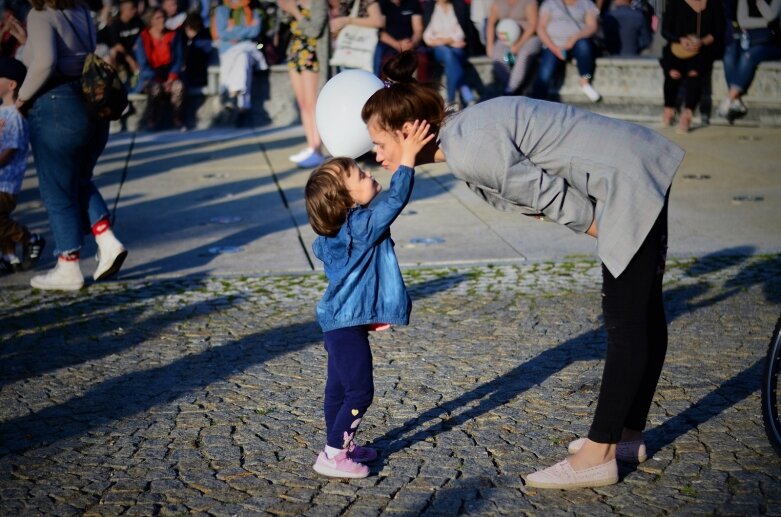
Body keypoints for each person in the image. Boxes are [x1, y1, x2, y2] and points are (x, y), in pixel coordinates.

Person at [361, 51, 686, 489]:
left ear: (409, 131)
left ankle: (599, 454)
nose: (376, 156)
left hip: (624, 182)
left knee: (627, 320)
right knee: (641, 313)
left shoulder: (468, 149)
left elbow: (549, 195)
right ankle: (626, 437)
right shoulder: (463, 134)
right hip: (629, 167)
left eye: (380, 144)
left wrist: (605, 230)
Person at [304, 120, 434, 478]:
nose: (367, 174)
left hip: (338, 324)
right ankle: (333, 457)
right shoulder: (361, 227)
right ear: (345, 200)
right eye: (359, 176)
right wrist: (407, 159)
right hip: (345, 326)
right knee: (360, 392)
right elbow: (395, 200)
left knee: (339, 389)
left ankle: (339, 444)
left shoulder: (337, 233)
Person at [15, 0, 128, 290]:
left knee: (57, 189)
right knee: (77, 180)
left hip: (56, 105)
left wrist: (21, 99)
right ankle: (106, 239)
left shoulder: (40, 15)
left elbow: (46, 62)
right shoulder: (80, 11)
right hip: (88, 105)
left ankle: (68, 265)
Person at [0, 56, 44, 275]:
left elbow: (10, 149)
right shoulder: (2, 113)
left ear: (11, 85)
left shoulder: (16, 117)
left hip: (6, 183)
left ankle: (30, 239)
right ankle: (10, 257)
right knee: (2, 221)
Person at [659, 0, 723, 133]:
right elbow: (665, 30)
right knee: (673, 72)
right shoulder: (675, 4)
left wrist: (702, 42)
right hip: (678, 47)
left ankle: (687, 113)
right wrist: (681, 39)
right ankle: (668, 109)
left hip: (703, 49)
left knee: (694, 72)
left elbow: (718, 31)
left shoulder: (713, 4)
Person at [278, 0, 329, 168]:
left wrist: (295, 11)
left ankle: (318, 149)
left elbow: (314, 30)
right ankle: (311, 145)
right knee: (302, 103)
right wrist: (286, 8)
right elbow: (284, 22)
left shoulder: (318, 3)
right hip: (295, 52)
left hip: (312, 54)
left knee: (312, 103)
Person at [717, 0, 781, 122]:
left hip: (772, 43)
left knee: (749, 56)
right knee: (729, 56)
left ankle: (729, 98)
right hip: (749, 40)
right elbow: (743, 21)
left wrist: (760, 2)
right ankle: (736, 101)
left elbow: (772, 16)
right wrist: (766, 23)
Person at [532, 0, 603, 103]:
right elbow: (541, 28)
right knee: (544, 73)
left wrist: (575, 38)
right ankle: (536, 101)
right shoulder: (550, 3)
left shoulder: (586, 3)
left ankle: (585, 81)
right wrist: (554, 48)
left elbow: (592, 26)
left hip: (577, 42)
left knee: (584, 46)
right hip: (553, 45)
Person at [212, 0, 267, 123]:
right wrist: (246, 30)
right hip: (229, 51)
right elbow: (222, 33)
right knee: (242, 57)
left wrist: (233, 31)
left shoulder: (253, 10)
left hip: (248, 48)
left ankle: (231, 94)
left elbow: (255, 31)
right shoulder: (222, 10)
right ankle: (243, 104)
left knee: (243, 56)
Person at [133, 7, 185, 130]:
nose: (162, 20)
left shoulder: (173, 35)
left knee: (178, 86)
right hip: (151, 76)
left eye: (163, 17)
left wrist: (171, 78)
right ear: (151, 21)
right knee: (155, 88)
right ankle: (151, 121)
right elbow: (143, 64)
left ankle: (177, 119)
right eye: (158, 18)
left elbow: (178, 59)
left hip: (170, 75)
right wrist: (156, 79)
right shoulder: (143, 38)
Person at [422, 0, 476, 107]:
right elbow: (427, 37)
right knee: (447, 53)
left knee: (451, 57)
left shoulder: (458, 6)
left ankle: (450, 100)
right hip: (440, 49)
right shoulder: (430, 8)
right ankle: (464, 94)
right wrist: (450, 41)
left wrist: (439, 39)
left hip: (457, 49)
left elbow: (461, 33)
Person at [485, 0, 541, 95]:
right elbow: (490, 23)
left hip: (528, 37)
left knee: (523, 55)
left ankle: (510, 91)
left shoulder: (529, 2)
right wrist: (489, 45)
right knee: (497, 56)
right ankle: (513, 88)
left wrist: (518, 45)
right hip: (506, 39)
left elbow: (533, 24)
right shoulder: (498, 2)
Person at [375, 0, 428, 80]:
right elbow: (380, 32)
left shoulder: (413, 3)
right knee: (386, 61)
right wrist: (397, 45)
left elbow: (418, 30)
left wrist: (412, 43)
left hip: (410, 43)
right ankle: (385, 89)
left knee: (422, 60)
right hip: (389, 44)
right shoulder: (382, 4)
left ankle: (420, 90)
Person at [329, 0, 384, 70]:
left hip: (366, 49)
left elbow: (378, 21)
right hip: (347, 48)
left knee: (364, 78)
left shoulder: (367, 1)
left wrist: (347, 20)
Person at [107, 0, 144, 89]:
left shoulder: (138, 21)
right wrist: (130, 60)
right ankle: (114, 83)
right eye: (132, 9)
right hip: (124, 55)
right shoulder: (115, 25)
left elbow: (144, 37)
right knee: (112, 54)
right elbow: (117, 46)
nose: (135, 10)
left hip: (138, 53)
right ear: (124, 10)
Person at [181, 11, 212, 91]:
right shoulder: (202, 39)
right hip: (199, 78)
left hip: (196, 78)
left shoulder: (198, 43)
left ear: (188, 27)